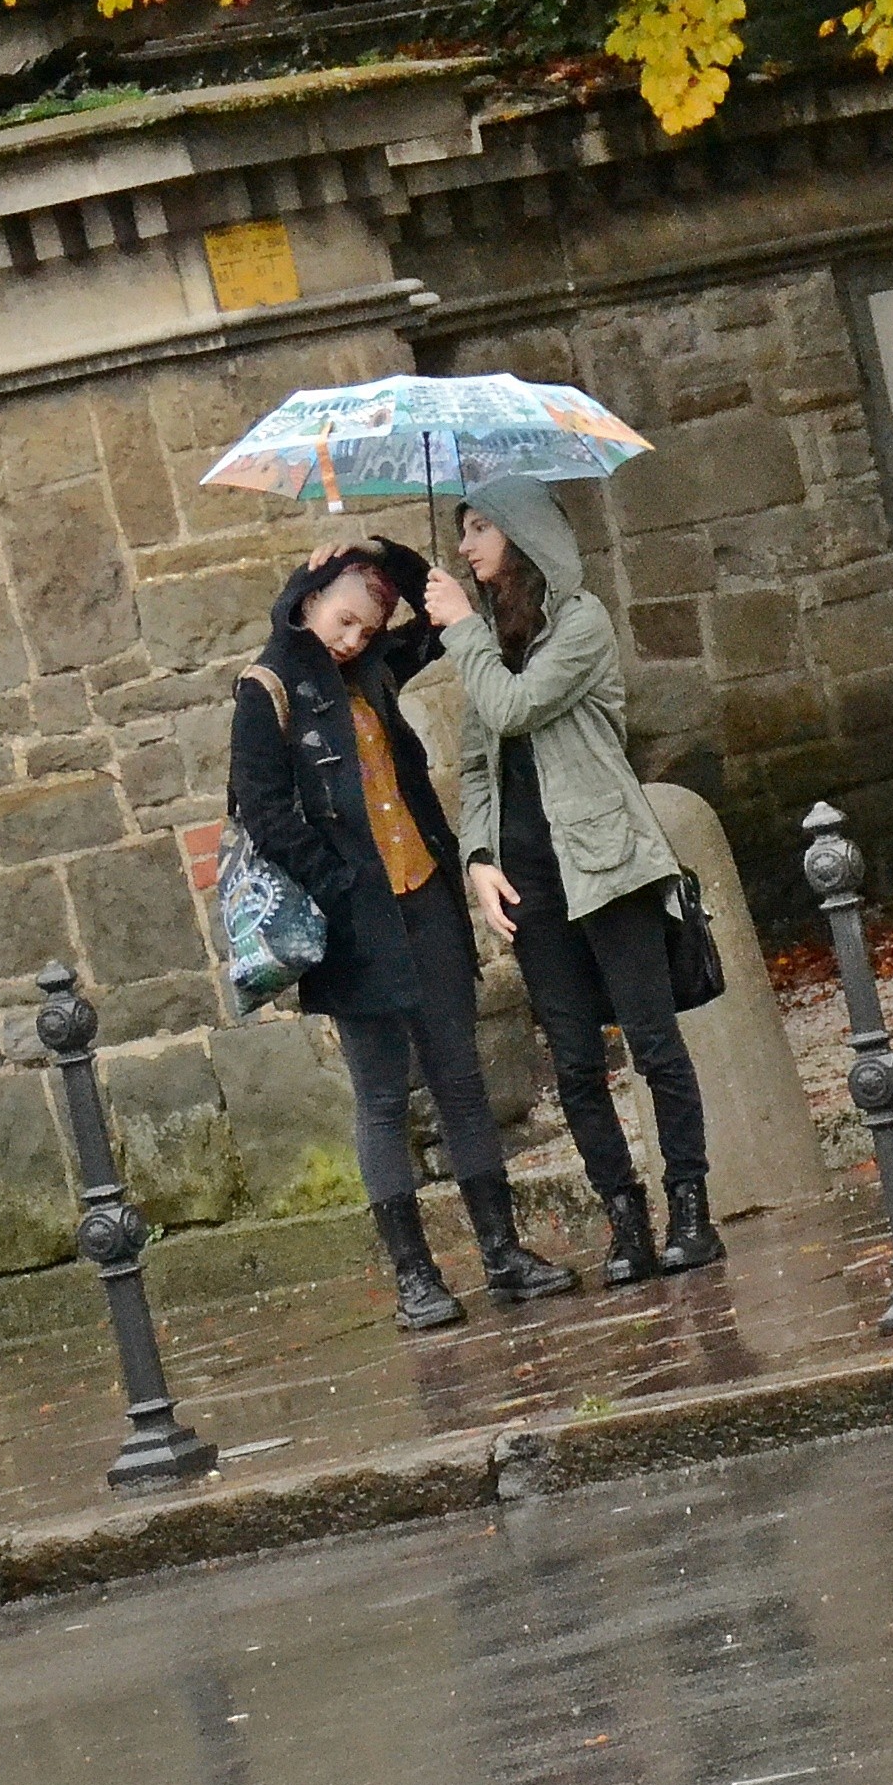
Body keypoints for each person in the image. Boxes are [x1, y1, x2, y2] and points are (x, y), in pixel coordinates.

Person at [229, 539, 583, 1333]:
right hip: (355, 922)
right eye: (343, 620)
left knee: (461, 1079)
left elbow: (435, 606)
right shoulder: (268, 685)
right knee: (383, 1097)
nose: (353, 638)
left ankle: (502, 1254)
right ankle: (415, 1278)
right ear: (312, 602)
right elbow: (264, 811)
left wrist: (378, 551)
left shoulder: (375, 666)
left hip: (423, 896)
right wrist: (340, 886)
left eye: (366, 626)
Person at [426, 474, 723, 1285]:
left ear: (523, 531)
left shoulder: (581, 621)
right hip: (531, 879)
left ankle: (690, 1211)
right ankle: (624, 1220)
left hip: (608, 864)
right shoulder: (488, 641)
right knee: (574, 1062)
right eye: (462, 529)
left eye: (480, 526)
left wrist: (462, 631)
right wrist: (479, 860)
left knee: (653, 1044)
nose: (465, 544)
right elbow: (479, 766)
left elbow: (517, 706)